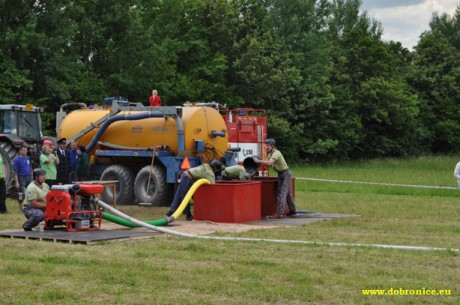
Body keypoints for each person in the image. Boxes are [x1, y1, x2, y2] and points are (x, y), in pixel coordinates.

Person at [253, 138, 296, 219]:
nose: (266, 147)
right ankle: (292, 210)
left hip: (284, 173)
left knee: (281, 193)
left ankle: (280, 213)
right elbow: (266, 163)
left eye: (268, 145)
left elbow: (269, 163)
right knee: (287, 194)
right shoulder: (270, 154)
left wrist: (258, 161)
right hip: (282, 174)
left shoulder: (276, 153)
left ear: (272, 146)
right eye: (266, 146)